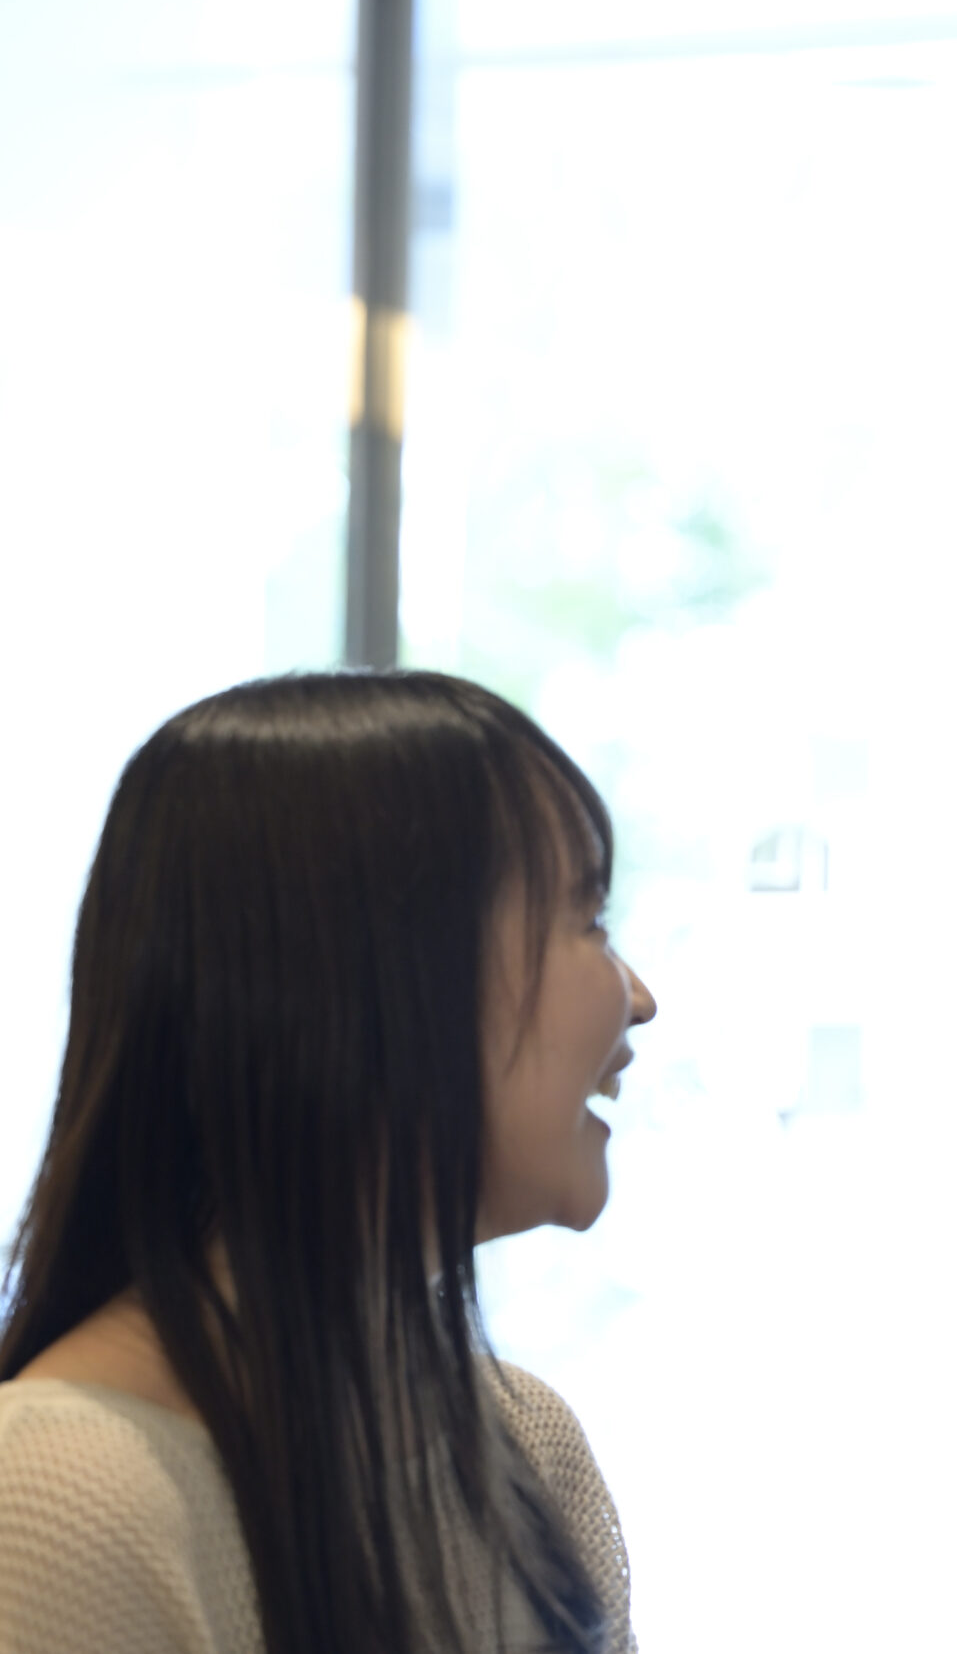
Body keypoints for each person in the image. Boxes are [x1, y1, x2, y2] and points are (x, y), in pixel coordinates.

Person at [0, 672, 655, 1654]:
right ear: (383, 977)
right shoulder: (60, 1504)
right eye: (589, 920)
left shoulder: (525, 1447)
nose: (638, 997)